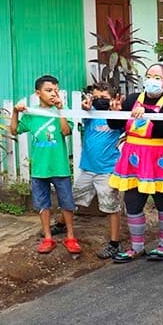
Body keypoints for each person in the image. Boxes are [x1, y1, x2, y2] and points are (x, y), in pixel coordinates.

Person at [108, 63, 163, 262]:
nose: (152, 80)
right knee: (132, 200)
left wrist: (146, 119)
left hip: (160, 159)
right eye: (149, 76)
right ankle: (136, 247)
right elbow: (116, 125)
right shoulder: (132, 99)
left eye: (157, 77)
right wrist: (114, 112)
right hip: (134, 159)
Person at [9, 75, 81, 256]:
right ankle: (48, 238)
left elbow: (65, 131)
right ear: (38, 93)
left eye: (56, 90)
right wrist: (16, 111)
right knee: (43, 204)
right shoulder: (32, 114)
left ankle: (70, 237)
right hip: (39, 169)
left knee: (67, 204)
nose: (53, 94)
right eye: (49, 90)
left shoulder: (62, 111)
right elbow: (14, 130)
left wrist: (61, 109)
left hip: (60, 167)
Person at [55, 83, 122, 259]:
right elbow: (82, 113)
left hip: (107, 170)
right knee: (72, 199)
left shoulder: (117, 116)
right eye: (96, 97)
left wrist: (116, 111)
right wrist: (86, 108)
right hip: (87, 169)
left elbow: (124, 126)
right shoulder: (89, 113)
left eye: (104, 98)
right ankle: (61, 225)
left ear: (112, 99)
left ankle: (114, 243)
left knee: (111, 206)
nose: (100, 101)